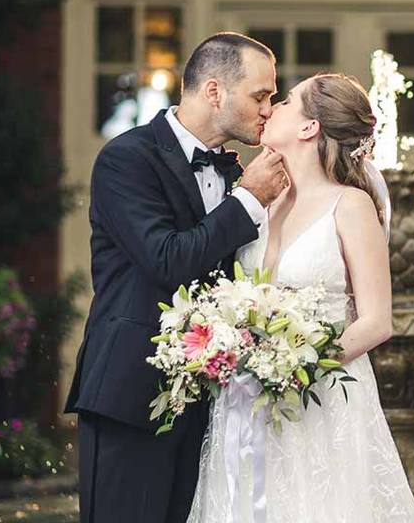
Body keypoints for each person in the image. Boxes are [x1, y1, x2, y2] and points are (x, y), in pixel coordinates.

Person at [64, 32, 288, 523]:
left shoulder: (236, 174)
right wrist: (248, 201)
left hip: (212, 404)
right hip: (130, 394)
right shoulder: (127, 159)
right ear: (214, 91)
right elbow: (167, 259)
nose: (269, 108)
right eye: (260, 95)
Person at [187, 74, 414, 522]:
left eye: (286, 101)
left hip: (322, 401)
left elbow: (377, 321)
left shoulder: (350, 205)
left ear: (308, 128)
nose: (271, 107)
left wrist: (297, 368)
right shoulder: (259, 203)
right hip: (246, 402)